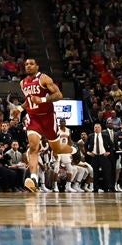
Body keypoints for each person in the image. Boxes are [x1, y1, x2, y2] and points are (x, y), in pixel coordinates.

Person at [17, 58, 75, 193]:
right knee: (33, 147)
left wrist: (42, 99)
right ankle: (33, 179)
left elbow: (59, 95)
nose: (28, 66)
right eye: (26, 64)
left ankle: (72, 149)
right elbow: (28, 100)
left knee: (58, 150)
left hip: (48, 118)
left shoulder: (44, 78)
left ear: (37, 66)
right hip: (33, 118)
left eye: (31, 64)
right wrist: (19, 109)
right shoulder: (22, 83)